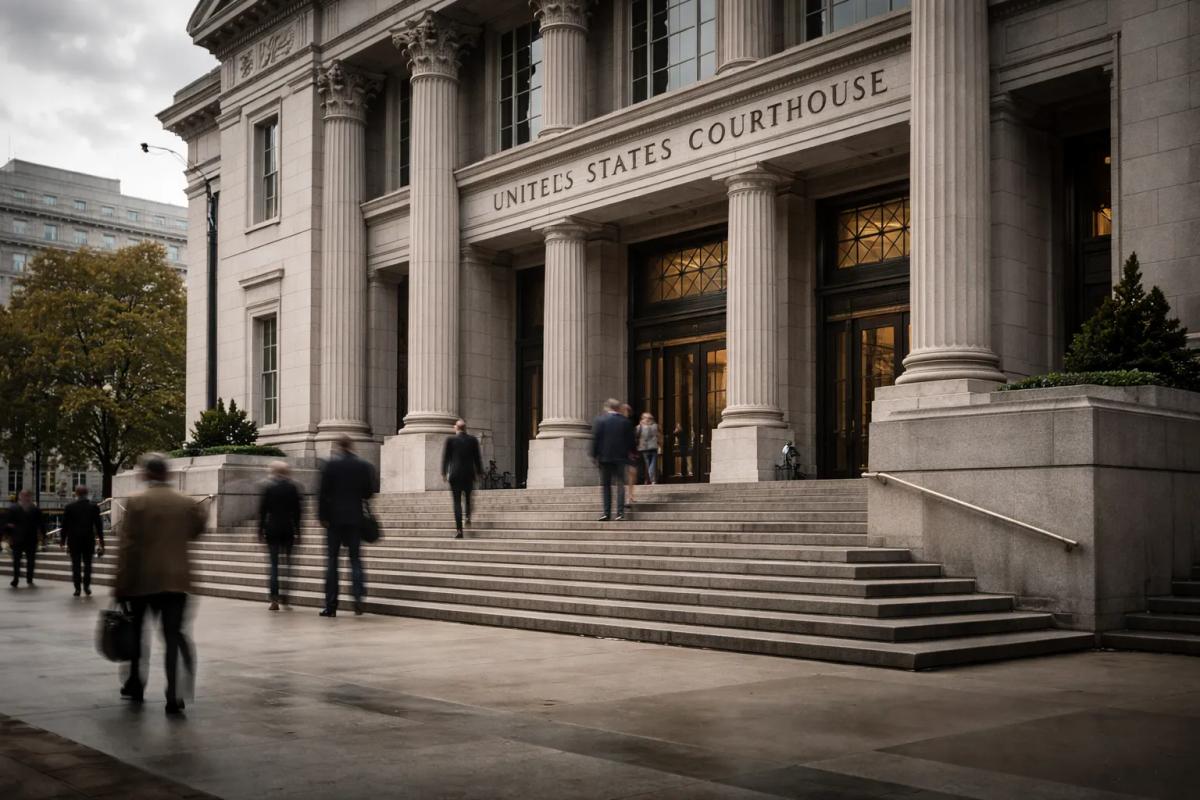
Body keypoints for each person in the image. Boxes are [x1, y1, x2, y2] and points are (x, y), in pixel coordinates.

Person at [114, 455, 206, 715]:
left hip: (142, 580)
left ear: (147, 474)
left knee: (137, 634)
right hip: (177, 581)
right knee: (173, 637)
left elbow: (127, 548)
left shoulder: (137, 502)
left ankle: (136, 684)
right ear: (167, 474)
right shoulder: (186, 502)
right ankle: (173, 694)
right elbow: (197, 531)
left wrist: (119, 584)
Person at [317, 435, 375, 617]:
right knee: (355, 559)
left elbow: (323, 494)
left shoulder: (330, 466)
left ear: (338, 447)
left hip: (334, 520)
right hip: (355, 518)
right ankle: (358, 598)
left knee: (332, 562)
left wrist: (323, 517)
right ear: (352, 446)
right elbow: (368, 493)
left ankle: (331, 605)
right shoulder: (363, 466)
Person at [257, 461, 302, 611]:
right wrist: (299, 530)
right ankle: (286, 596)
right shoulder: (293, 487)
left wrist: (259, 530)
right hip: (288, 528)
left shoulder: (268, 487)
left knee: (274, 565)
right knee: (288, 565)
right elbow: (297, 512)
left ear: (274, 472)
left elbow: (263, 511)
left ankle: (274, 599)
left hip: (272, 528)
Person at [591, 399, 635, 521]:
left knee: (606, 486)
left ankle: (606, 513)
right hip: (621, 458)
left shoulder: (600, 420)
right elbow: (631, 441)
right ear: (617, 408)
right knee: (620, 485)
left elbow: (596, 439)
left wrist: (594, 455)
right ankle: (620, 513)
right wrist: (632, 453)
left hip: (604, 458)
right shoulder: (625, 422)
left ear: (607, 408)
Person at [60, 485, 105, 596]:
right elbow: (98, 525)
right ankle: (86, 586)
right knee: (88, 564)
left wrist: (62, 540)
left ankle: (77, 588)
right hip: (88, 540)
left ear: (76, 493)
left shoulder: (69, 507)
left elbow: (64, 526)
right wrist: (101, 540)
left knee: (76, 565)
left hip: (74, 541)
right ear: (86, 493)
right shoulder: (93, 507)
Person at [442, 419, 483, 539]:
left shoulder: (450, 440)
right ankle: (468, 516)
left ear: (457, 428)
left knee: (457, 503)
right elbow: (477, 458)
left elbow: (446, 458)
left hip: (455, 475)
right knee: (468, 498)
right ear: (465, 428)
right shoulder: (473, 440)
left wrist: (444, 472)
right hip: (468, 474)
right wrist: (480, 472)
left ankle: (459, 530)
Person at [6, 490, 45, 588]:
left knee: (30, 560)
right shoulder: (13, 509)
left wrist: (43, 535)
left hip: (30, 539)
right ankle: (16, 578)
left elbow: (41, 523)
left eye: (27, 496)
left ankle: (29, 577)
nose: (25, 497)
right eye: (23, 495)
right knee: (16, 560)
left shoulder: (35, 509)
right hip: (18, 538)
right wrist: (8, 536)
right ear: (19, 496)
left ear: (30, 497)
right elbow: (8, 523)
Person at [620, 403, 638, 506]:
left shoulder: (628, 423)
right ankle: (627, 497)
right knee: (624, 476)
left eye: (628, 410)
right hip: (621, 453)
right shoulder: (619, 422)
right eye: (625, 410)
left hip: (629, 453)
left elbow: (632, 439)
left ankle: (630, 496)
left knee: (631, 474)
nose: (627, 412)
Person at [637, 412, 661, 485]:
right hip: (646, 449)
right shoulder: (640, 427)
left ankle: (650, 480)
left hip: (650, 448)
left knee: (651, 465)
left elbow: (659, 436)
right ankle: (650, 480)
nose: (648, 419)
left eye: (649, 418)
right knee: (649, 465)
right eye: (646, 418)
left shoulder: (654, 426)